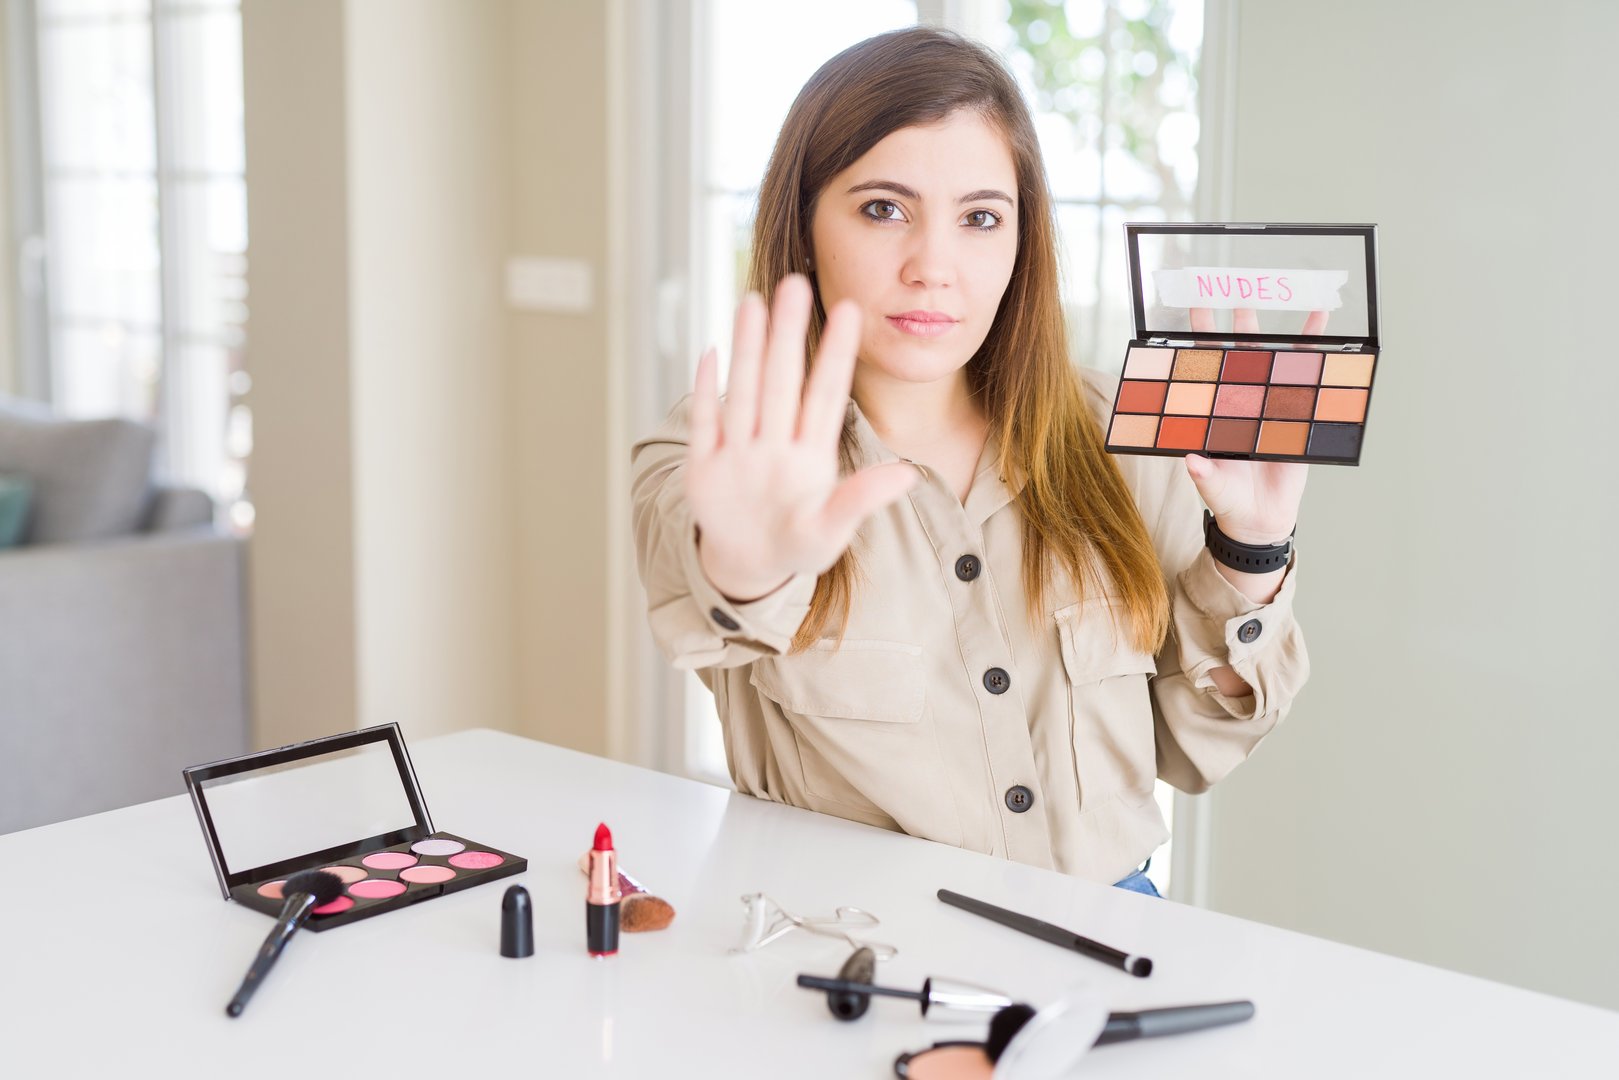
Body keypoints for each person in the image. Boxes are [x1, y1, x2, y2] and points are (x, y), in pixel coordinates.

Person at [630, 27, 1308, 895]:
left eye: (980, 217)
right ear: (802, 225)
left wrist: (1249, 552)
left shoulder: (1125, 432)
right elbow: (692, 564)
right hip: (851, 954)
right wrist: (747, 570)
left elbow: (1193, 746)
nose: (933, 267)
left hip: (1106, 931)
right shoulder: (719, 450)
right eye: (883, 209)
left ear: (1020, 243)